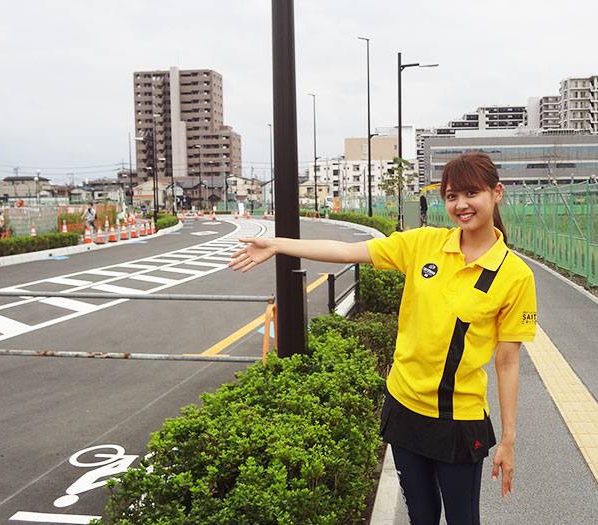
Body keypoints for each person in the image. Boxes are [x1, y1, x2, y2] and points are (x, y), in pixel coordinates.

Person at [229, 152, 537, 525]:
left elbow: (508, 360)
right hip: (404, 406)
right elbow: (346, 251)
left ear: (496, 193)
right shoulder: (424, 243)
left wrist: (508, 438)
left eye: (471, 193)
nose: (461, 204)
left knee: (463, 520)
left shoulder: (515, 275)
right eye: (451, 195)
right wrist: (279, 245)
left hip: (459, 419)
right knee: (421, 517)